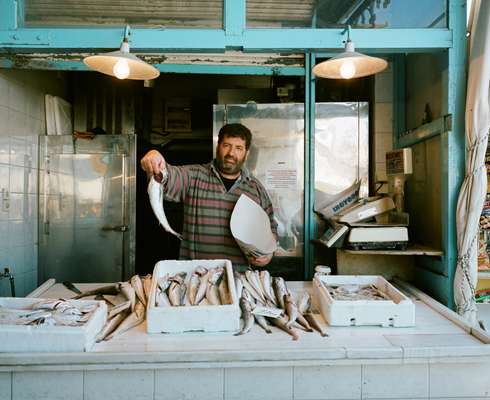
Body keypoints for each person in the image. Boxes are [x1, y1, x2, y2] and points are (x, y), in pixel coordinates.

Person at [140, 123, 276, 268]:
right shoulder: (194, 176)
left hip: (238, 279)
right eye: (226, 145)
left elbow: (271, 228)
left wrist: (267, 254)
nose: (231, 153)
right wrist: (156, 160)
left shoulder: (255, 188)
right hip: (195, 277)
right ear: (218, 147)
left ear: (246, 153)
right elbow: (168, 177)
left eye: (238, 148)